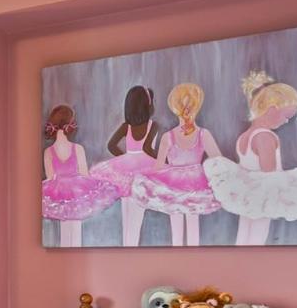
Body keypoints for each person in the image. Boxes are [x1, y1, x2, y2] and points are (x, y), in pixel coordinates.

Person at [204, 70, 297, 245]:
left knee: (244, 236)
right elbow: (270, 174)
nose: (286, 121)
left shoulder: (245, 136)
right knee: (258, 237)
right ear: (272, 110)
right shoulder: (265, 136)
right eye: (287, 115)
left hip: (248, 195)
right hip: (262, 194)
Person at [130, 82, 221, 246]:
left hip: (181, 184)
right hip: (191, 183)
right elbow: (219, 161)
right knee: (188, 229)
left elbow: (158, 167)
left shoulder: (173, 136)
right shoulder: (199, 134)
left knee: (180, 230)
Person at [89, 84, 161, 246]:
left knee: (127, 217)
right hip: (144, 172)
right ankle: (132, 249)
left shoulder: (125, 127)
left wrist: (126, 160)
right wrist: (162, 160)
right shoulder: (153, 126)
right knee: (136, 216)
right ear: (147, 105)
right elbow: (147, 148)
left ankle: (127, 248)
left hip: (127, 171)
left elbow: (111, 145)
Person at [41, 103, 117, 248]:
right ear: (70, 124)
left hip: (57, 191)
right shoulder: (78, 148)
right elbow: (84, 173)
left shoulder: (48, 151)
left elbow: (50, 177)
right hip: (76, 190)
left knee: (64, 233)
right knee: (76, 232)